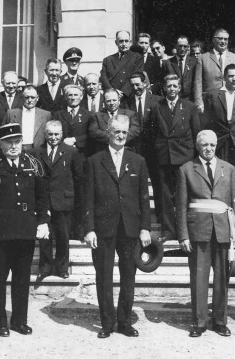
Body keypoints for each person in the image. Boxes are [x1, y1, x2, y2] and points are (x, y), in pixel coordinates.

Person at [0, 123, 49, 337]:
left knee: (22, 279)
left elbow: (43, 197)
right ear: (0, 144)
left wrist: (43, 222)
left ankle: (19, 321)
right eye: (9, 142)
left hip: (25, 231)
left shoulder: (33, 164)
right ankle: (0, 323)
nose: (14, 146)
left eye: (17, 141)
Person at [84, 115, 151, 338]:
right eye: (116, 132)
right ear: (108, 133)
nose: (121, 136)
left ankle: (124, 322)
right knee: (104, 276)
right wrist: (89, 228)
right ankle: (106, 323)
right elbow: (88, 199)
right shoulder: (95, 161)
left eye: (124, 132)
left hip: (130, 227)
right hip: (103, 227)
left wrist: (145, 228)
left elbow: (144, 198)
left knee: (128, 276)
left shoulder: (138, 161)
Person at [176, 130, 235, 337]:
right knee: (199, 277)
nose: (209, 149)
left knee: (223, 278)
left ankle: (220, 321)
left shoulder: (229, 169)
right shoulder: (187, 169)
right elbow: (181, 205)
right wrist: (183, 235)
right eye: (204, 145)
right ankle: (199, 322)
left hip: (223, 230)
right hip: (198, 231)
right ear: (197, 147)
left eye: (212, 145)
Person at [149, 74, 201, 239]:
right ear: (164, 88)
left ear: (179, 88)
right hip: (164, 155)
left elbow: (196, 132)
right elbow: (152, 132)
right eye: (168, 86)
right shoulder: (157, 107)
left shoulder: (189, 106)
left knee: (183, 195)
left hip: (183, 155)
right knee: (165, 196)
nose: (171, 89)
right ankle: (169, 231)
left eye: (174, 86)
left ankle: (184, 231)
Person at [33, 121, 83, 280]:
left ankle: (62, 268)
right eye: (50, 134)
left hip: (63, 201)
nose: (53, 137)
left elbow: (78, 178)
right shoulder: (36, 152)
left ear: (61, 135)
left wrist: (75, 201)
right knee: (44, 236)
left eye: (56, 134)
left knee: (63, 235)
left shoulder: (71, 152)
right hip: (44, 201)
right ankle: (45, 267)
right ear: (45, 134)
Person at [126, 73, 161, 215]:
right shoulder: (126, 102)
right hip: (134, 148)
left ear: (145, 83)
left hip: (153, 149)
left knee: (157, 182)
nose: (135, 88)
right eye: (132, 85)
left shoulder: (157, 101)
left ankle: (159, 216)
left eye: (138, 84)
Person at [194, 28, 235, 113]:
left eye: (225, 39)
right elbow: (198, 83)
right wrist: (199, 103)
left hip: (231, 102)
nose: (223, 41)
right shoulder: (203, 58)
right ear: (213, 40)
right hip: (209, 103)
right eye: (220, 38)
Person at [88, 88, 140, 155]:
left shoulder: (130, 114)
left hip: (126, 151)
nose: (112, 103)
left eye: (114, 100)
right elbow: (94, 132)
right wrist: (115, 138)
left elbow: (135, 131)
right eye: (109, 101)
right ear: (104, 102)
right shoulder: (96, 116)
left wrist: (119, 139)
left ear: (119, 101)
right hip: (104, 152)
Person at [0, 71, 24, 154]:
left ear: (17, 83)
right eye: (8, 83)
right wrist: (3, 132)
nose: (11, 86)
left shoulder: (23, 98)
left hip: (18, 141)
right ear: (2, 83)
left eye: (13, 83)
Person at [3, 85, 51, 152]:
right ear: (22, 98)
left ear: (37, 98)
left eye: (32, 97)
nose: (30, 100)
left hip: (38, 151)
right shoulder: (11, 113)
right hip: (17, 150)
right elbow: (3, 136)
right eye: (27, 97)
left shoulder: (46, 115)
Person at [53, 84, 94, 157]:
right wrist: (64, 143)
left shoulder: (89, 115)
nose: (73, 98)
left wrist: (75, 140)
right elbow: (54, 133)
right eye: (70, 95)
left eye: (76, 95)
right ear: (65, 97)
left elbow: (91, 135)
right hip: (62, 153)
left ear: (81, 97)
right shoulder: (57, 115)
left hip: (82, 153)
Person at [100, 30, 144, 100]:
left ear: (130, 42)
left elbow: (136, 76)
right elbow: (103, 77)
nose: (124, 44)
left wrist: (123, 92)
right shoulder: (107, 60)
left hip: (129, 96)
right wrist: (113, 91)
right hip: (112, 97)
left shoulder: (137, 57)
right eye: (121, 41)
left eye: (126, 41)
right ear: (116, 42)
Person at [163, 35, 197, 101]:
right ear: (175, 46)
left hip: (190, 100)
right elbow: (164, 83)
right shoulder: (167, 63)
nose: (182, 49)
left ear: (188, 47)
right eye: (180, 46)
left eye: (185, 46)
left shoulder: (194, 62)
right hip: (173, 100)